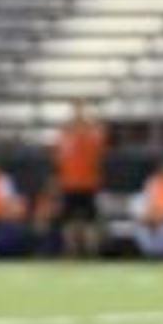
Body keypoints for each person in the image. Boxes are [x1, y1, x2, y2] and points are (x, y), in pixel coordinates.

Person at [52, 100, 109, 259]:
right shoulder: (64, 137)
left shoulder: (92, 136)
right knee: (69, 221)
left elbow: (101, 144)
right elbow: (58, 162)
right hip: (69, 184)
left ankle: (91, 252)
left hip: (88, 184)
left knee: (90, 220)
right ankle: (71, 251)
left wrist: (86, 118)